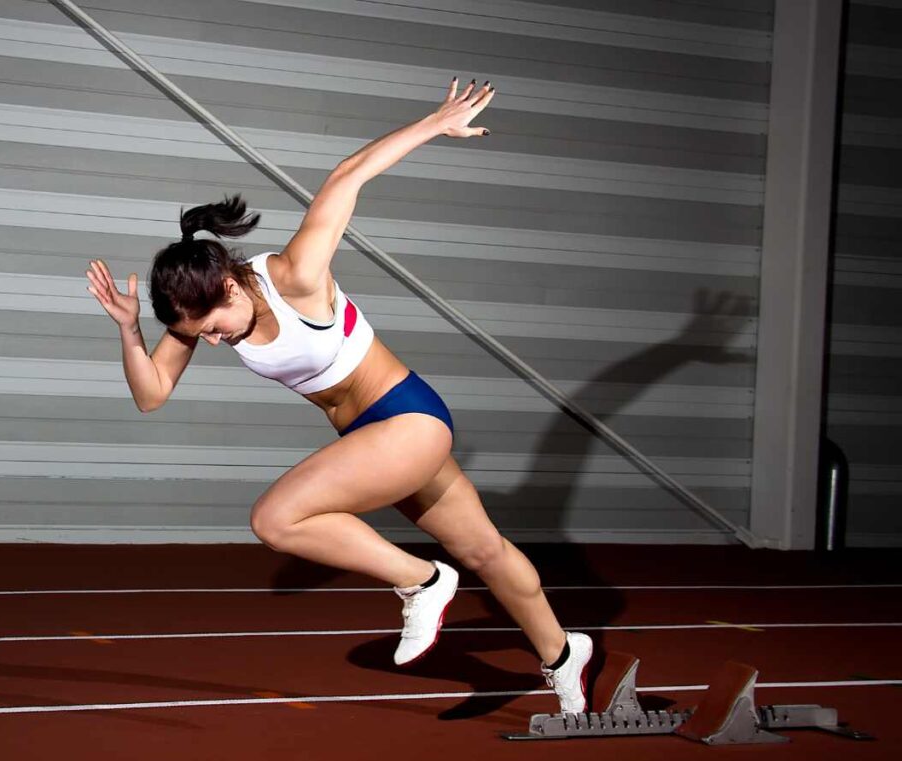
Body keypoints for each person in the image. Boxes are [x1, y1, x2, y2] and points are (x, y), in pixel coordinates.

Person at [85, 76, 592, 712]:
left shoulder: (295, 276)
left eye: (210, 329)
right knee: (483, 548)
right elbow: (152, 394)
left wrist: (436, 123)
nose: (209, 343)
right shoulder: (201, 311)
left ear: (230, 289)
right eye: (197, 336)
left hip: (408, 418)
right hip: (374, 438)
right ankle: (564, 654)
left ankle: (422, 582)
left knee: (275, 519)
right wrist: (132, 330)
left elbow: (347, 176)